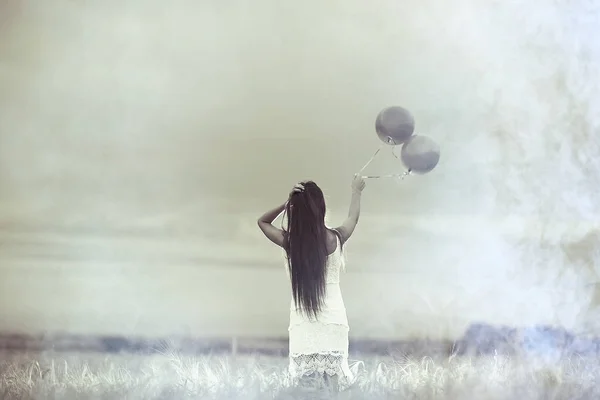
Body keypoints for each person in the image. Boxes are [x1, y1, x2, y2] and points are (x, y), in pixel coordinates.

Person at [257, 174, 366, 391]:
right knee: (332, 389)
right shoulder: (336, 237)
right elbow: (352, 218)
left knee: (305, 390)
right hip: (334, 320)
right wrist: (356, 190)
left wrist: (286, 203)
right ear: (322, 208)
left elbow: (263, 222)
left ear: (295, 211)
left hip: (304, 322)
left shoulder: (291, 243)